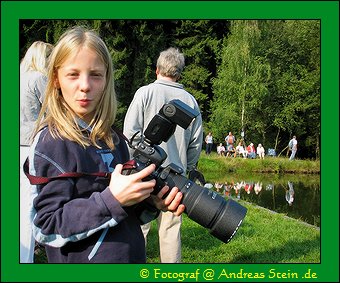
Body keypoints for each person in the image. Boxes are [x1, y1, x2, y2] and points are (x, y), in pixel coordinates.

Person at [25, 27, 185, 263]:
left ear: (107, 79)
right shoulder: (51, 143)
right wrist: (112, 199)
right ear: (56, 79)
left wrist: (151, 204)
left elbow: (124, 215)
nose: (85, 85)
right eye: (73, 74)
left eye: (95, 75)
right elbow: (45, 226)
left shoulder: (115, 139)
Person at [123, 47, 203, 263]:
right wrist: (189, 167)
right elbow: (195, 144)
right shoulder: (191, 101)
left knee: (139, 226)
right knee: (170, 231)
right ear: (179, 73)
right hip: (175, 177)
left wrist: (130, 164)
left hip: (144, 172)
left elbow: (129, 133)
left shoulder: (145, 92)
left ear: (157, 69)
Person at [20, 40, 53, 263]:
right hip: (30, 146)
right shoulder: (39, 79)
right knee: (28, 207)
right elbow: (52, 110)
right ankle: (25, 259)